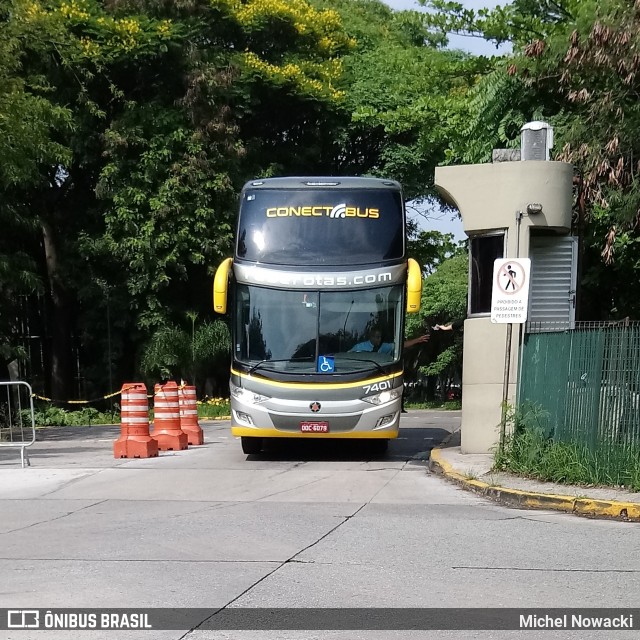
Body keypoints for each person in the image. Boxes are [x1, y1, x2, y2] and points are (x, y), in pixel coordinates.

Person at [350, 326, 430, 354]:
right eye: (377, 337)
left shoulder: (384, 347)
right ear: (371, 337)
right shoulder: (359, 347)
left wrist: (417, 340)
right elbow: (347, 356)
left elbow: (400, 346)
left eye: (380, 337)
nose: (379, 339)